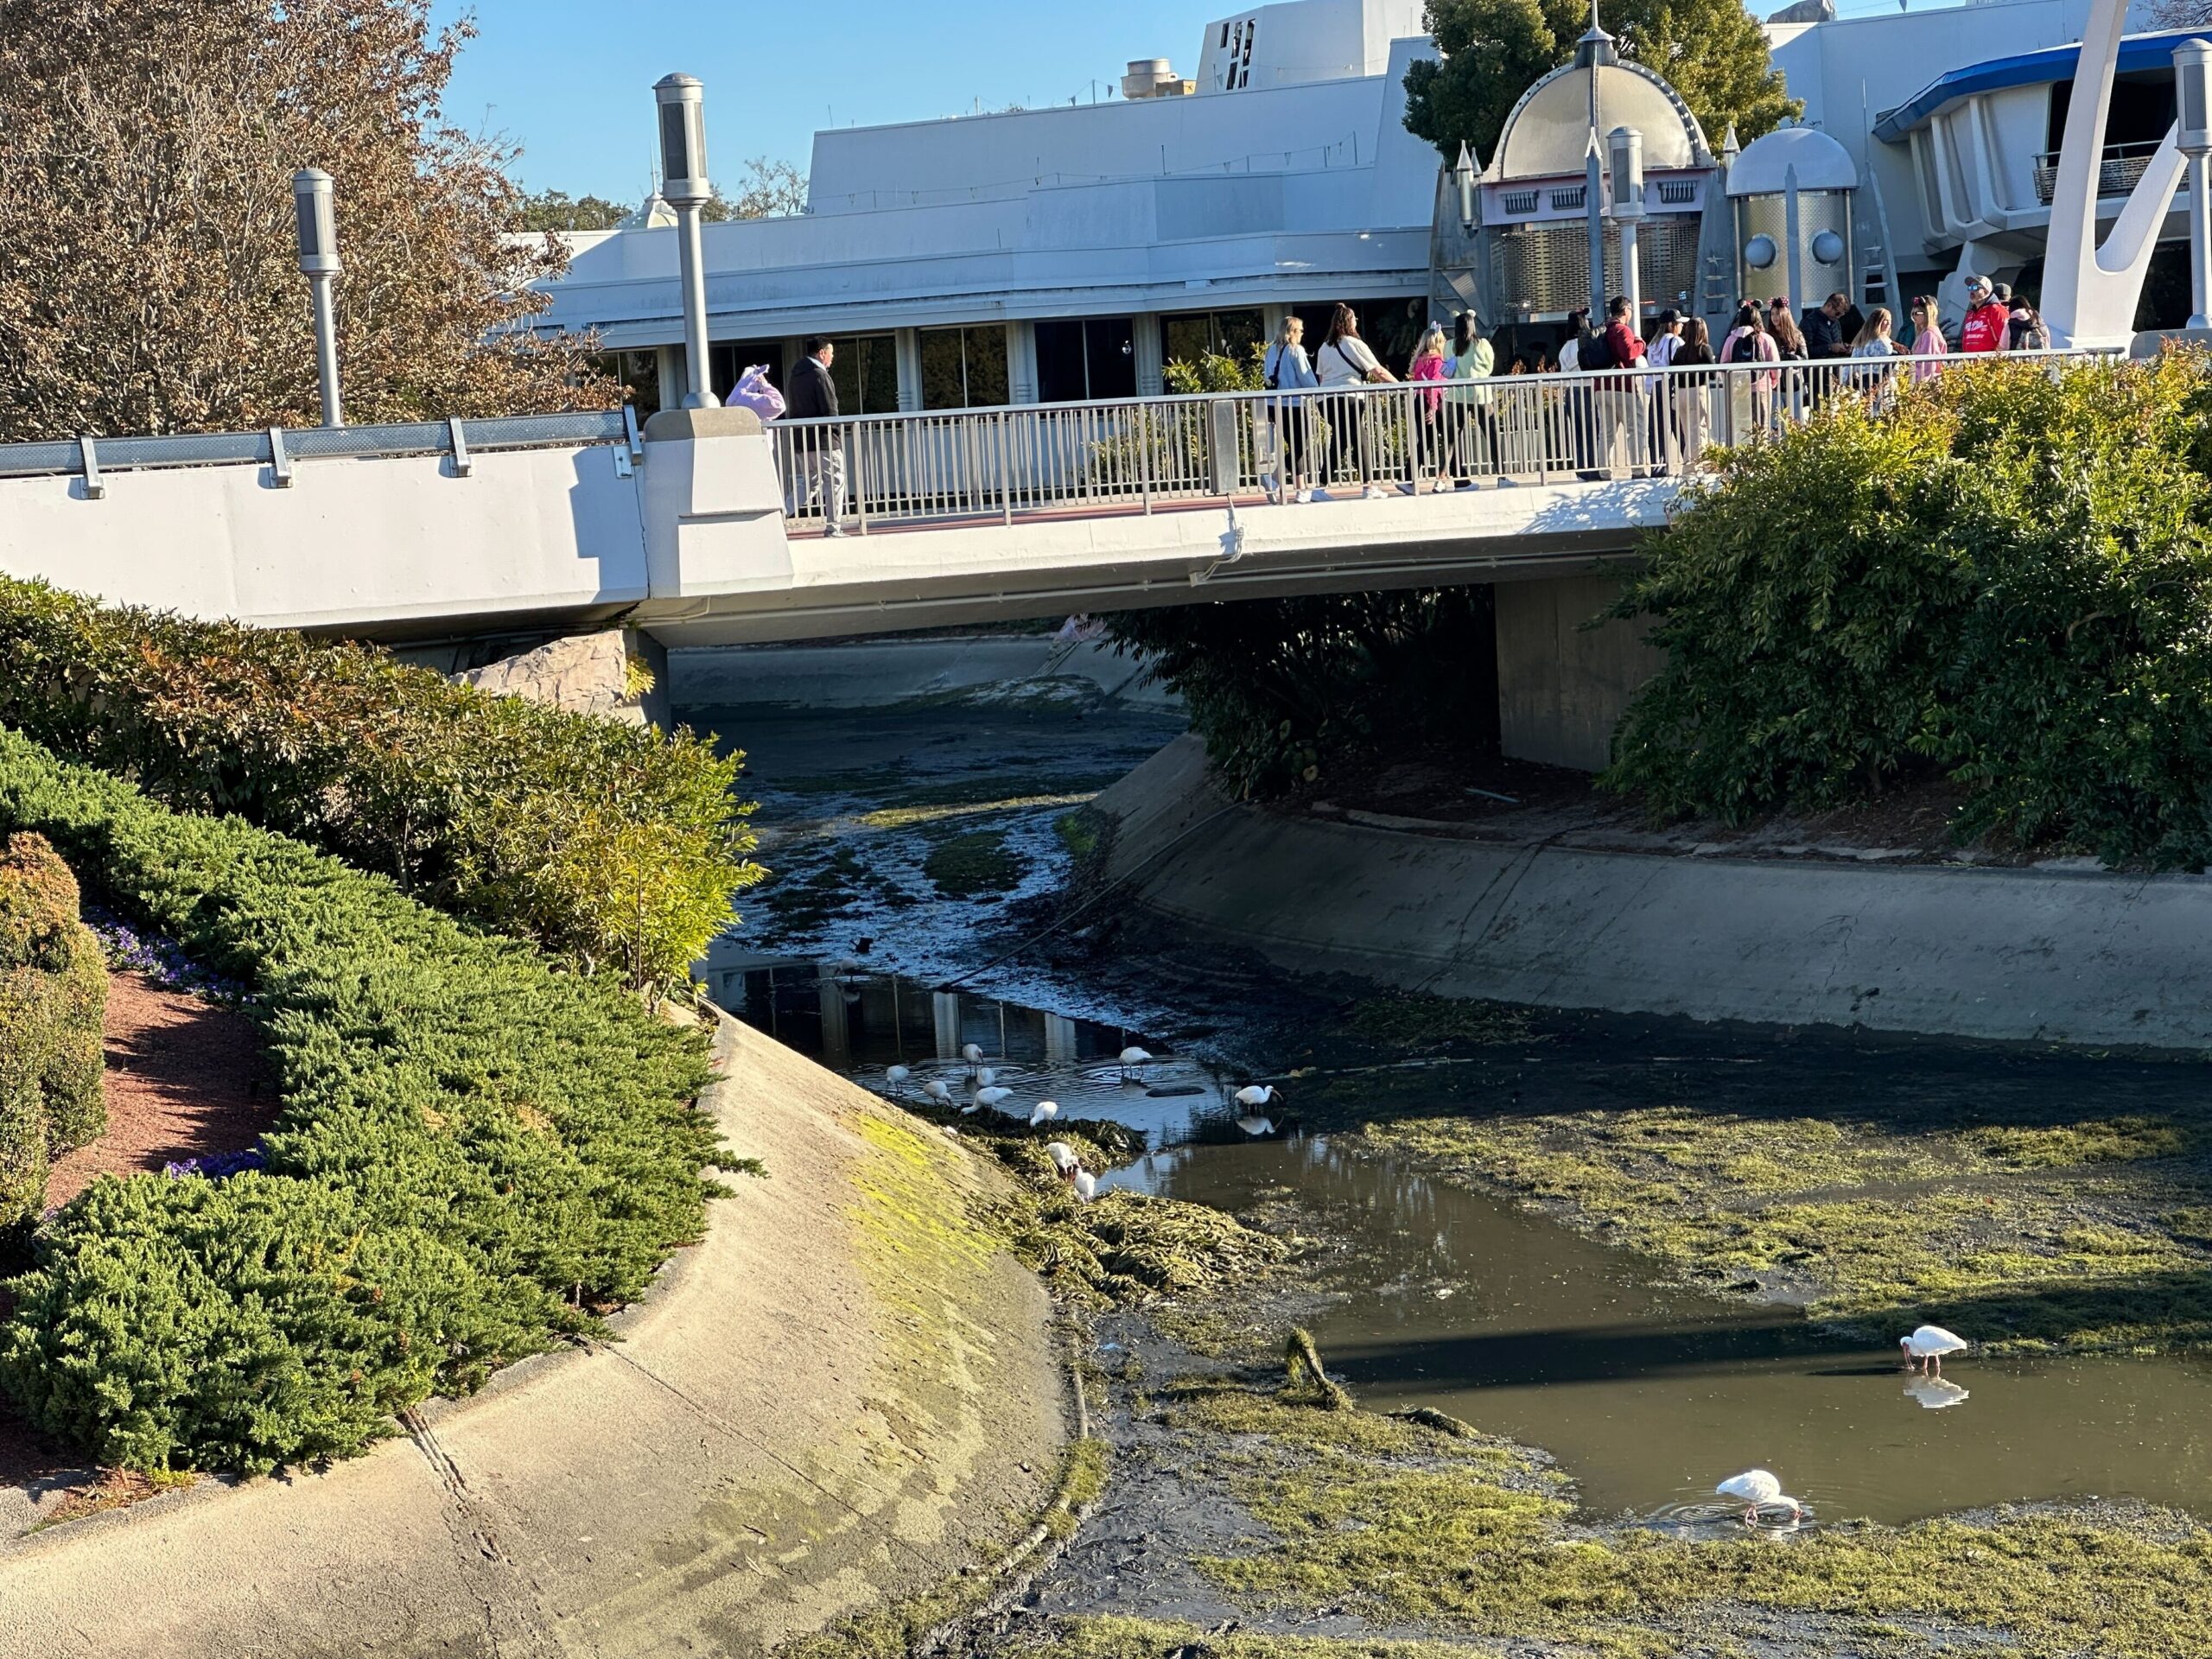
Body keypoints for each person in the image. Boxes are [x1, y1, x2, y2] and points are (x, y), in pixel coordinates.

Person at [1315, 302, 1396, 498]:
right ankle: (1368, 485)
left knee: (1341, 439)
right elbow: (1378, 371)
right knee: (1360, 438)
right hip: (1349, 397)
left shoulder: (1324, 347)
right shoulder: (1355, 344)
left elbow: (1321, 377)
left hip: (1325, 399)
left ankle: (1320, 485)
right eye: (1354, 320)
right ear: (1349, 322)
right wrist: (1399, 385)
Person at [785, 334, 847, 536]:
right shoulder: (820, 375)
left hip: (803, 441)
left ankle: (779, 513)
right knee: (835, 480)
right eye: (831, 353)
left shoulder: (796, 375)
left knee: (810, 482)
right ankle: (833, 527)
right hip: (825, 440)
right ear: (822, 353)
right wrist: (836, 435)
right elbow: (831, 410)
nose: (832, 357)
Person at [1262, 314, 1318, 503]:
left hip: (1273, 403)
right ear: (1293, 331)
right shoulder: (1296, 350)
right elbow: (1306, 377)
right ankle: (1297, 487)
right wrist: (1319, 393)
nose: (1302, 334)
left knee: (1295, 445)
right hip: (1293, 403)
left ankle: (1279, 480)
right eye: (1301, 330)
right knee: (1300, 445)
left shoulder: (1270, 351)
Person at [1446, 311, 1496, 485]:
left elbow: (1447, 366)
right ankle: (1502, 475)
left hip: (1455, 395)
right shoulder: (1482, 344)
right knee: (1491, 434)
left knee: (1453, 439)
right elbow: (1489, 367)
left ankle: (1459, 480)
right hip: (1479, 394)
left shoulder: (1449, 345)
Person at [1408, 323, 1452, 492]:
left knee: (1424, 441)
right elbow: (1434, 385)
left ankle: (1409, 477)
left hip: (1418, 399)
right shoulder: (1438, 360)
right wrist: (1433, 408)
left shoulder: (1419, 360)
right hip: (1434, 401)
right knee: (1449, 439)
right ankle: (1441, 479)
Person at [1722, 302, 1780, 429]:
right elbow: (1775, 366)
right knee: (1762, 428)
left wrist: (1730, 384)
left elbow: (1723, 365)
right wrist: (1773, 381)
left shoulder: (1731, 339)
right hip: (1762, 388)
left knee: (1741, 429)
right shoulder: (1766, 339)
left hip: (1738, 389)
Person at [1672, 315, 1716, 461]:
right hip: (1698, 392)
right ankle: (1696, 464)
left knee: (1687, 430)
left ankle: (1689, 461)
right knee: (1700, 429)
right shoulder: (1704, 349)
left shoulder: (1680, 351)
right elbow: (1713, 375)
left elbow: (1673, 375)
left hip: (1681, 393)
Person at [1849, 306, 1903, 406]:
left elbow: (1852, 362)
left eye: (1889, 320)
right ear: (1877, 322)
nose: (1888, 323)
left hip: (1866, 381)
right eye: (1885, 320)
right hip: (1881, 381)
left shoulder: (1861, 341)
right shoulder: (1880, 342)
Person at [1959, 275, 2009, 353]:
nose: (1971, 291)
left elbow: (2006, 339)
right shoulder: (1970, 314)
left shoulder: (1997, 311)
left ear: (1985, 291)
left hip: (1990, 362)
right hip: (1970, 362)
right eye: (1970, 288)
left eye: (1975, 288)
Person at [1906, 294, 1947, 382]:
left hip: (1927, 380)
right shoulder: (1925, 333)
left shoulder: (1929, 334)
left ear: (1927, 314)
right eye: (1913, 314)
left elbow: (1928, 364)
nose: (1914, 316)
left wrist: (1920, 382)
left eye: (1917, 313)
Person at [1802, 292, 1853, 360]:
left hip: (1835, 367)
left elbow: (1837, 343)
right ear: (1829, 305)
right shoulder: (1808, 322)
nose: (1838, 317)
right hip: (1818, 368)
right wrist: (1829, 348)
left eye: (1841, 315)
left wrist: (1844, 348)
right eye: (1837, 313)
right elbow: (1806, 350)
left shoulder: (1836, 323)